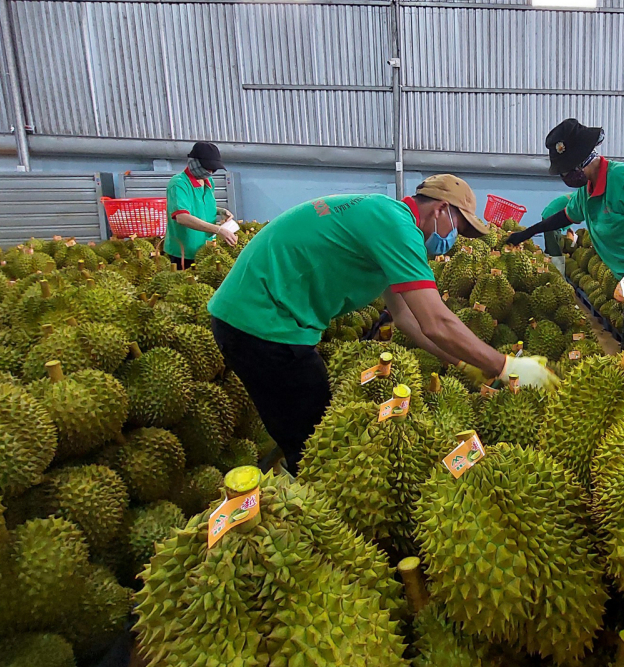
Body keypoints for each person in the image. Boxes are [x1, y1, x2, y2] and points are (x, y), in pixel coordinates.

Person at [206, 174, 557, 472]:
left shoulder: (386, 220)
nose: (453, 243)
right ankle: (309, 517)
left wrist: (463, 362)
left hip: (263, 317)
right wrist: (504, 365)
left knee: (313, 423)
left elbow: (407, 320)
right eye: (459, 229)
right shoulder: (396, 226)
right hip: (261, 322)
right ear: (440, 210)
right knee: (315, 439)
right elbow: (436, 321)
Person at [507, 119, 624, 368]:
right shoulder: (587, 190)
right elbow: (566, 215)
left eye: (565, 169)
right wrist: (529, 232)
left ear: (582, 161)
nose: (564, 176)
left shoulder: (622, 179)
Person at [164, 142, 237, 269]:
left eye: (213, 169)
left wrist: (219, 211)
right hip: (185, 253)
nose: (210, 172)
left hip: (205, 249)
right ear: (194, 162)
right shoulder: (178, 184)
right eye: (207, 167)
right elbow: (182, 217)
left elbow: (199, 206)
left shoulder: (208, 181)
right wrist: (218, 230)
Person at [539, 193, 573, 274]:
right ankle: (559, 276)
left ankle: (548, 272)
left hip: (553, 216)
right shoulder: (581, 199)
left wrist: (568, 228)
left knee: (552, 246)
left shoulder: (578, 196)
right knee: (554, 251)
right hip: (551, 218)